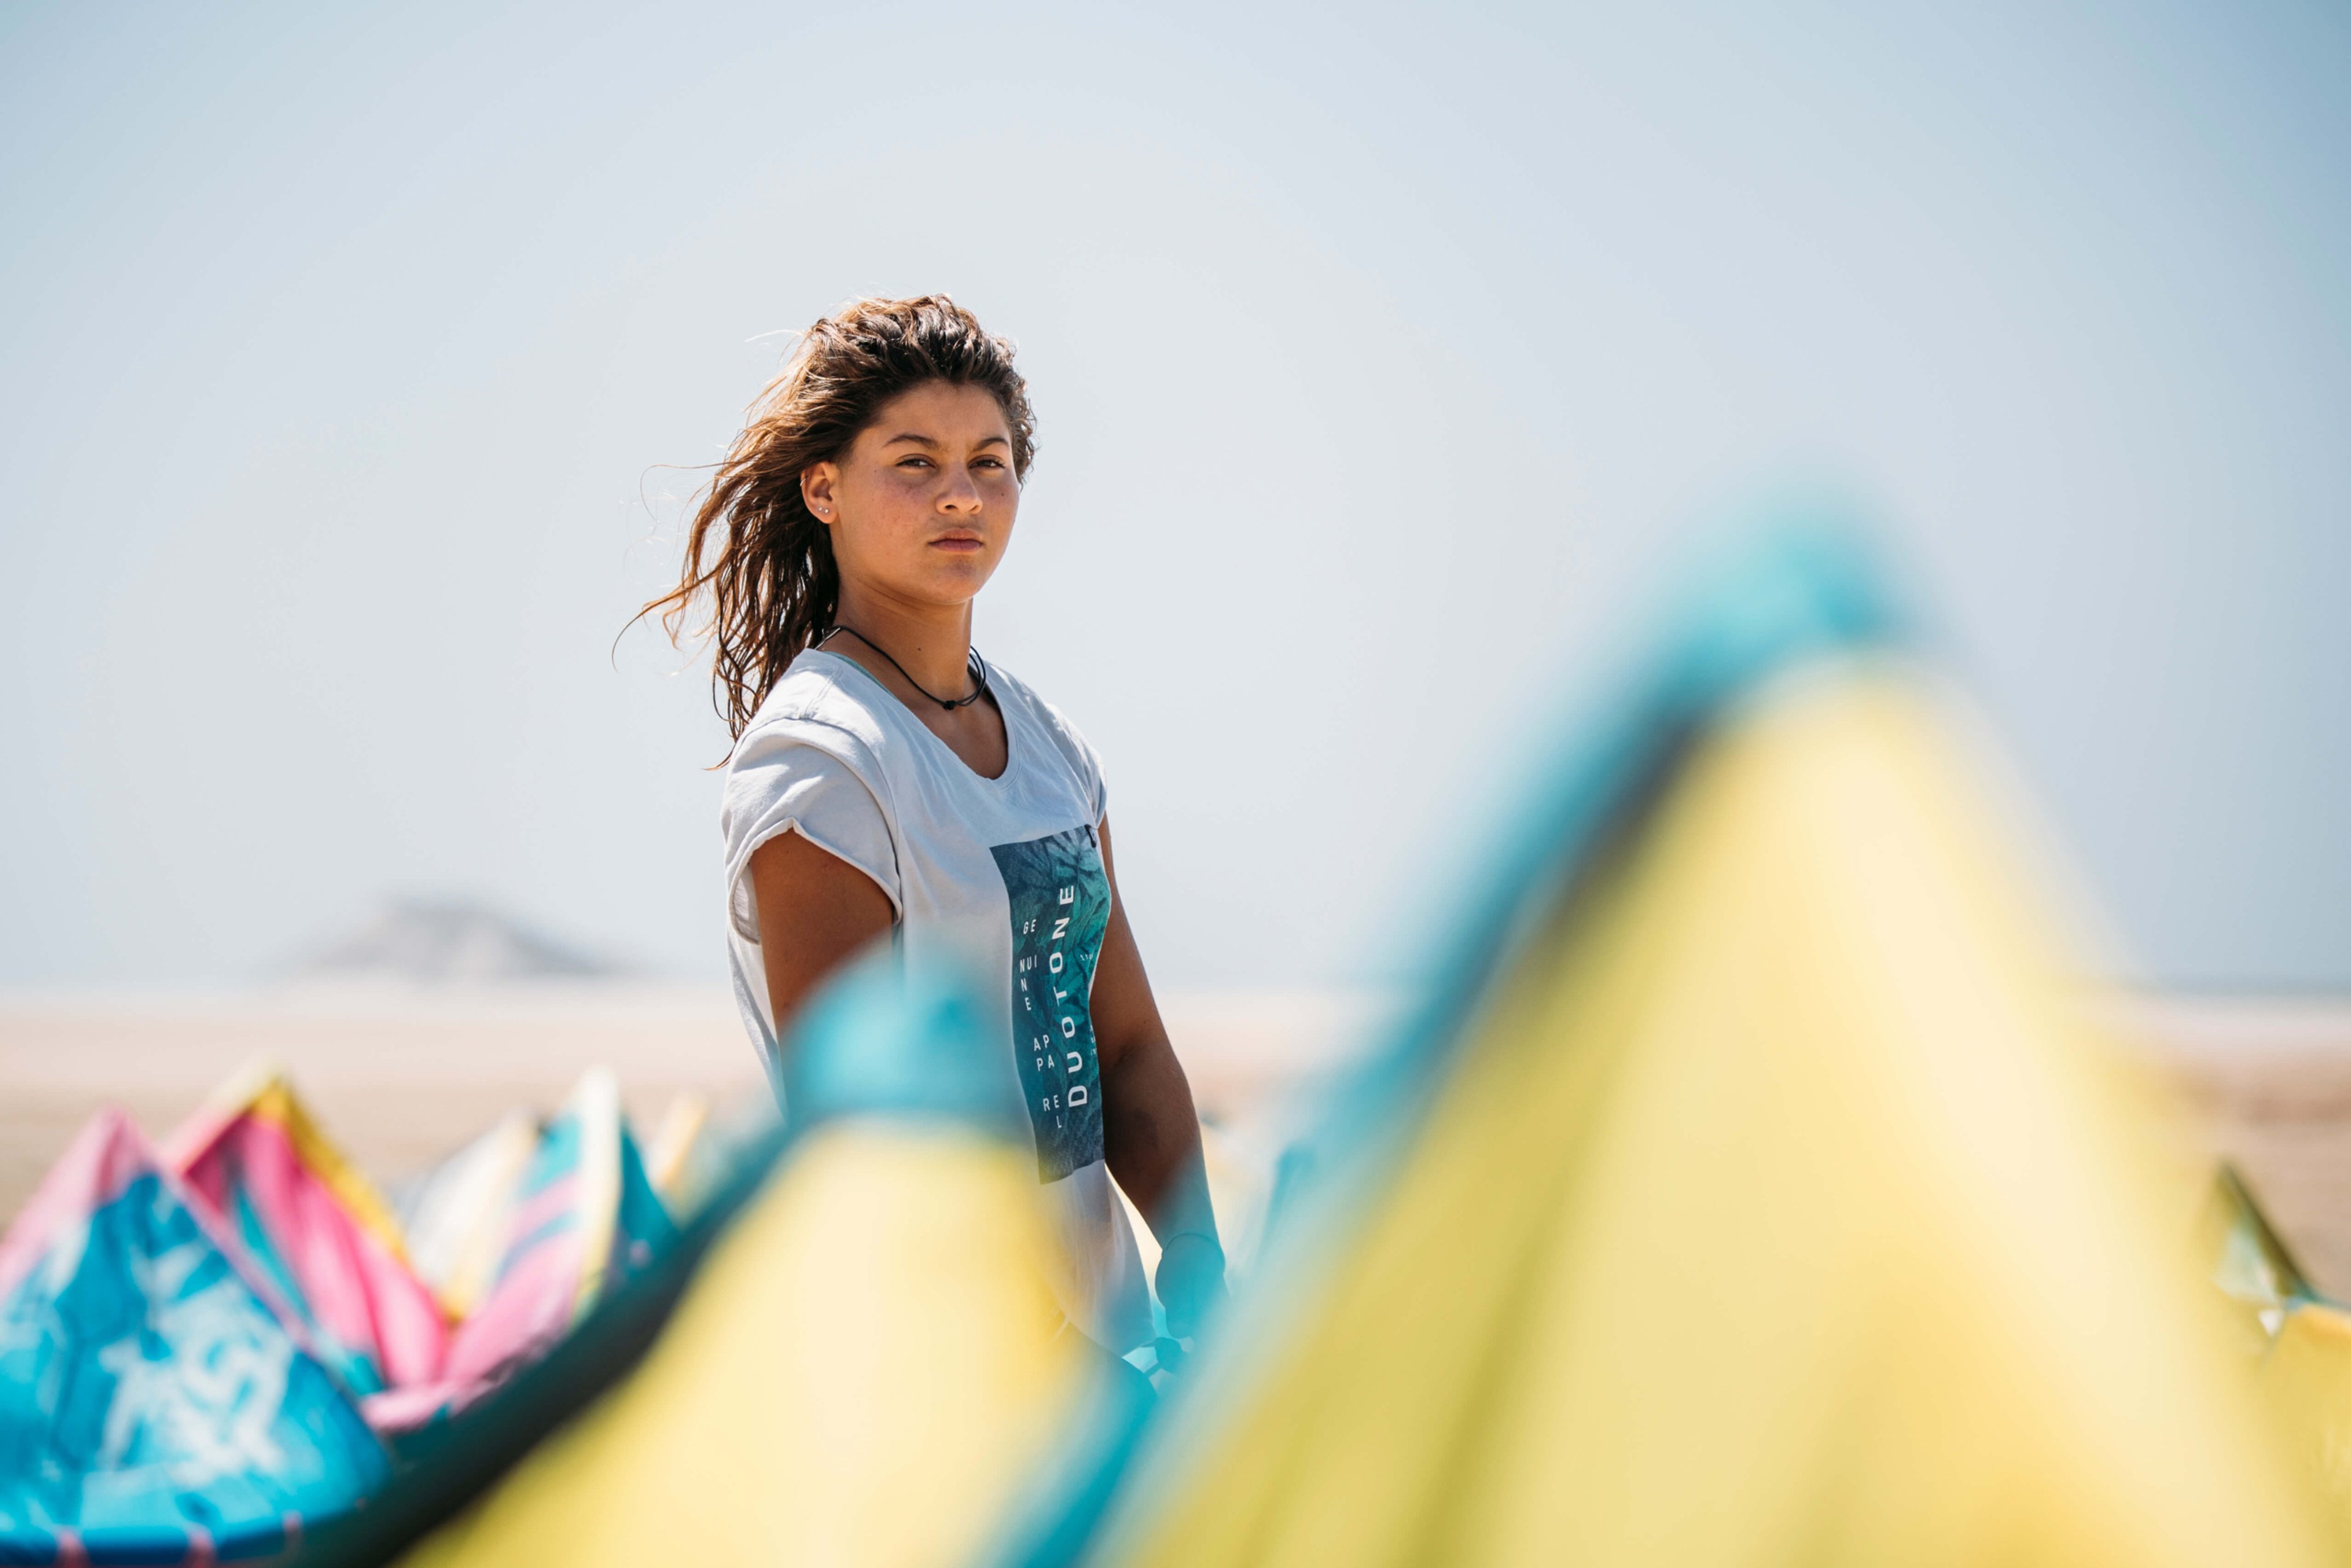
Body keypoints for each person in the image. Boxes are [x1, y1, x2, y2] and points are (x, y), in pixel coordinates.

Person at [642, 294, 1224, 1368]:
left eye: (989, 462)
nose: (961, 495)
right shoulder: (821, 761)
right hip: (932, 1376)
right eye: (914, 462)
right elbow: (863, 1138)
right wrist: (1062, 1368)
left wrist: (1201, 1268)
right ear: (825, 487)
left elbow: (1128, 1049)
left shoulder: (1052, 749)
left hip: (1115, 1360)